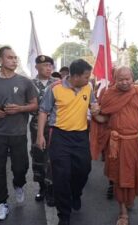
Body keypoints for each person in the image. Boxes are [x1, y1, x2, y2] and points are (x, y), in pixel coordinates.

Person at [90, 67, 138, 225]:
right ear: (115, 79)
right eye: (121, 79)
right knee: (120, 179)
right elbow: (102, 119)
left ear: (132, 78)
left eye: (127, 79)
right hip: (117, 144)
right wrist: (95, 113)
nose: (124, 82)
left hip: (135, 143)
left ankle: (129, 199)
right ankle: (123, 213)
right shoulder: (109, 94)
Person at [37, 59, 99, 225]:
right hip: (60, 137)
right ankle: (64, 215)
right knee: (61, 176)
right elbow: (43, 111)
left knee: (84, 170)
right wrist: (39, 136)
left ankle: (76, 193)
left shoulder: (88, 87)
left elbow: (93, 104)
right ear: (76, 76)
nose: (89, 79)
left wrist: (96, 108)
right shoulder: (55, 88)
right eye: (86, 76)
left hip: (80, 136)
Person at [0, 46, 38, 221]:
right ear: (1, 60)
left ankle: (19, 184)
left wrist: (20, 108)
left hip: (18, 133)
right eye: (10, 57)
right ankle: (2, 203)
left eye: (15, 58)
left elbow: (34, 105)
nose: (14, 60)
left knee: (20, 168)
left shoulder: (25, 81)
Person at [29, 55, 57, 206]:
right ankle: (41, 187)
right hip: (36, 126)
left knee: (52, 158)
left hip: (54, 126)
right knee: (38, 156)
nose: (48, 68)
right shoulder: (29, 84)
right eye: (45, 65)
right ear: (36, 67)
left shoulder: (58, 83)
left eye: (50, 65)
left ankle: (51, 189)